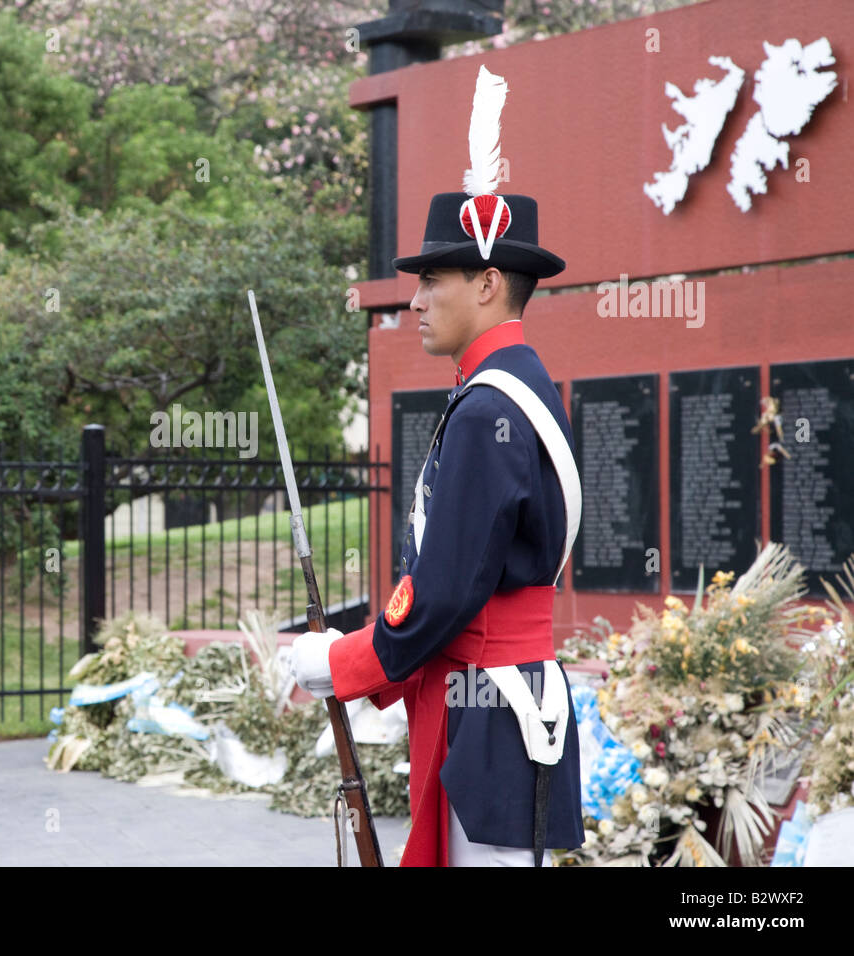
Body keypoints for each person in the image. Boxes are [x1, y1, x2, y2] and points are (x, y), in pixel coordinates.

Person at [293, 67, 584, 867]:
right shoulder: (510, 392)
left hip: (487, 711)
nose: (414, 299)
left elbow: (449, 585)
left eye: (432, 279)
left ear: (489, 283)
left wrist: (343, 661)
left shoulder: (490, 408)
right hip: (494, 699)